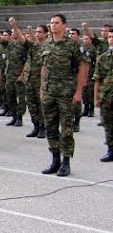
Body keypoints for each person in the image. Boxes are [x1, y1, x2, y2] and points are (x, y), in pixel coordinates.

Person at [40, 14, 88, 176]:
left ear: (64, 26)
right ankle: (55, 160)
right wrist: (42, 89)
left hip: (66, 93)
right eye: (52, 23)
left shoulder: (72, 45)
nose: (53, 25)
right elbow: (44, 68)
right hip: (48, 92)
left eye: (57, 23)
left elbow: (82, 67)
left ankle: (66, 161)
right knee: (50, 126)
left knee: (66, 128)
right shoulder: (45, 44)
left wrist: (79, 91)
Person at [93, 30, 113, 162]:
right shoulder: (103, 57)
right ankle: (111, 150)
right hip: (106, 97)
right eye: (110, 37)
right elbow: (97, 79)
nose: (111, 39)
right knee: (108, 125)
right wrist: (95, 98)